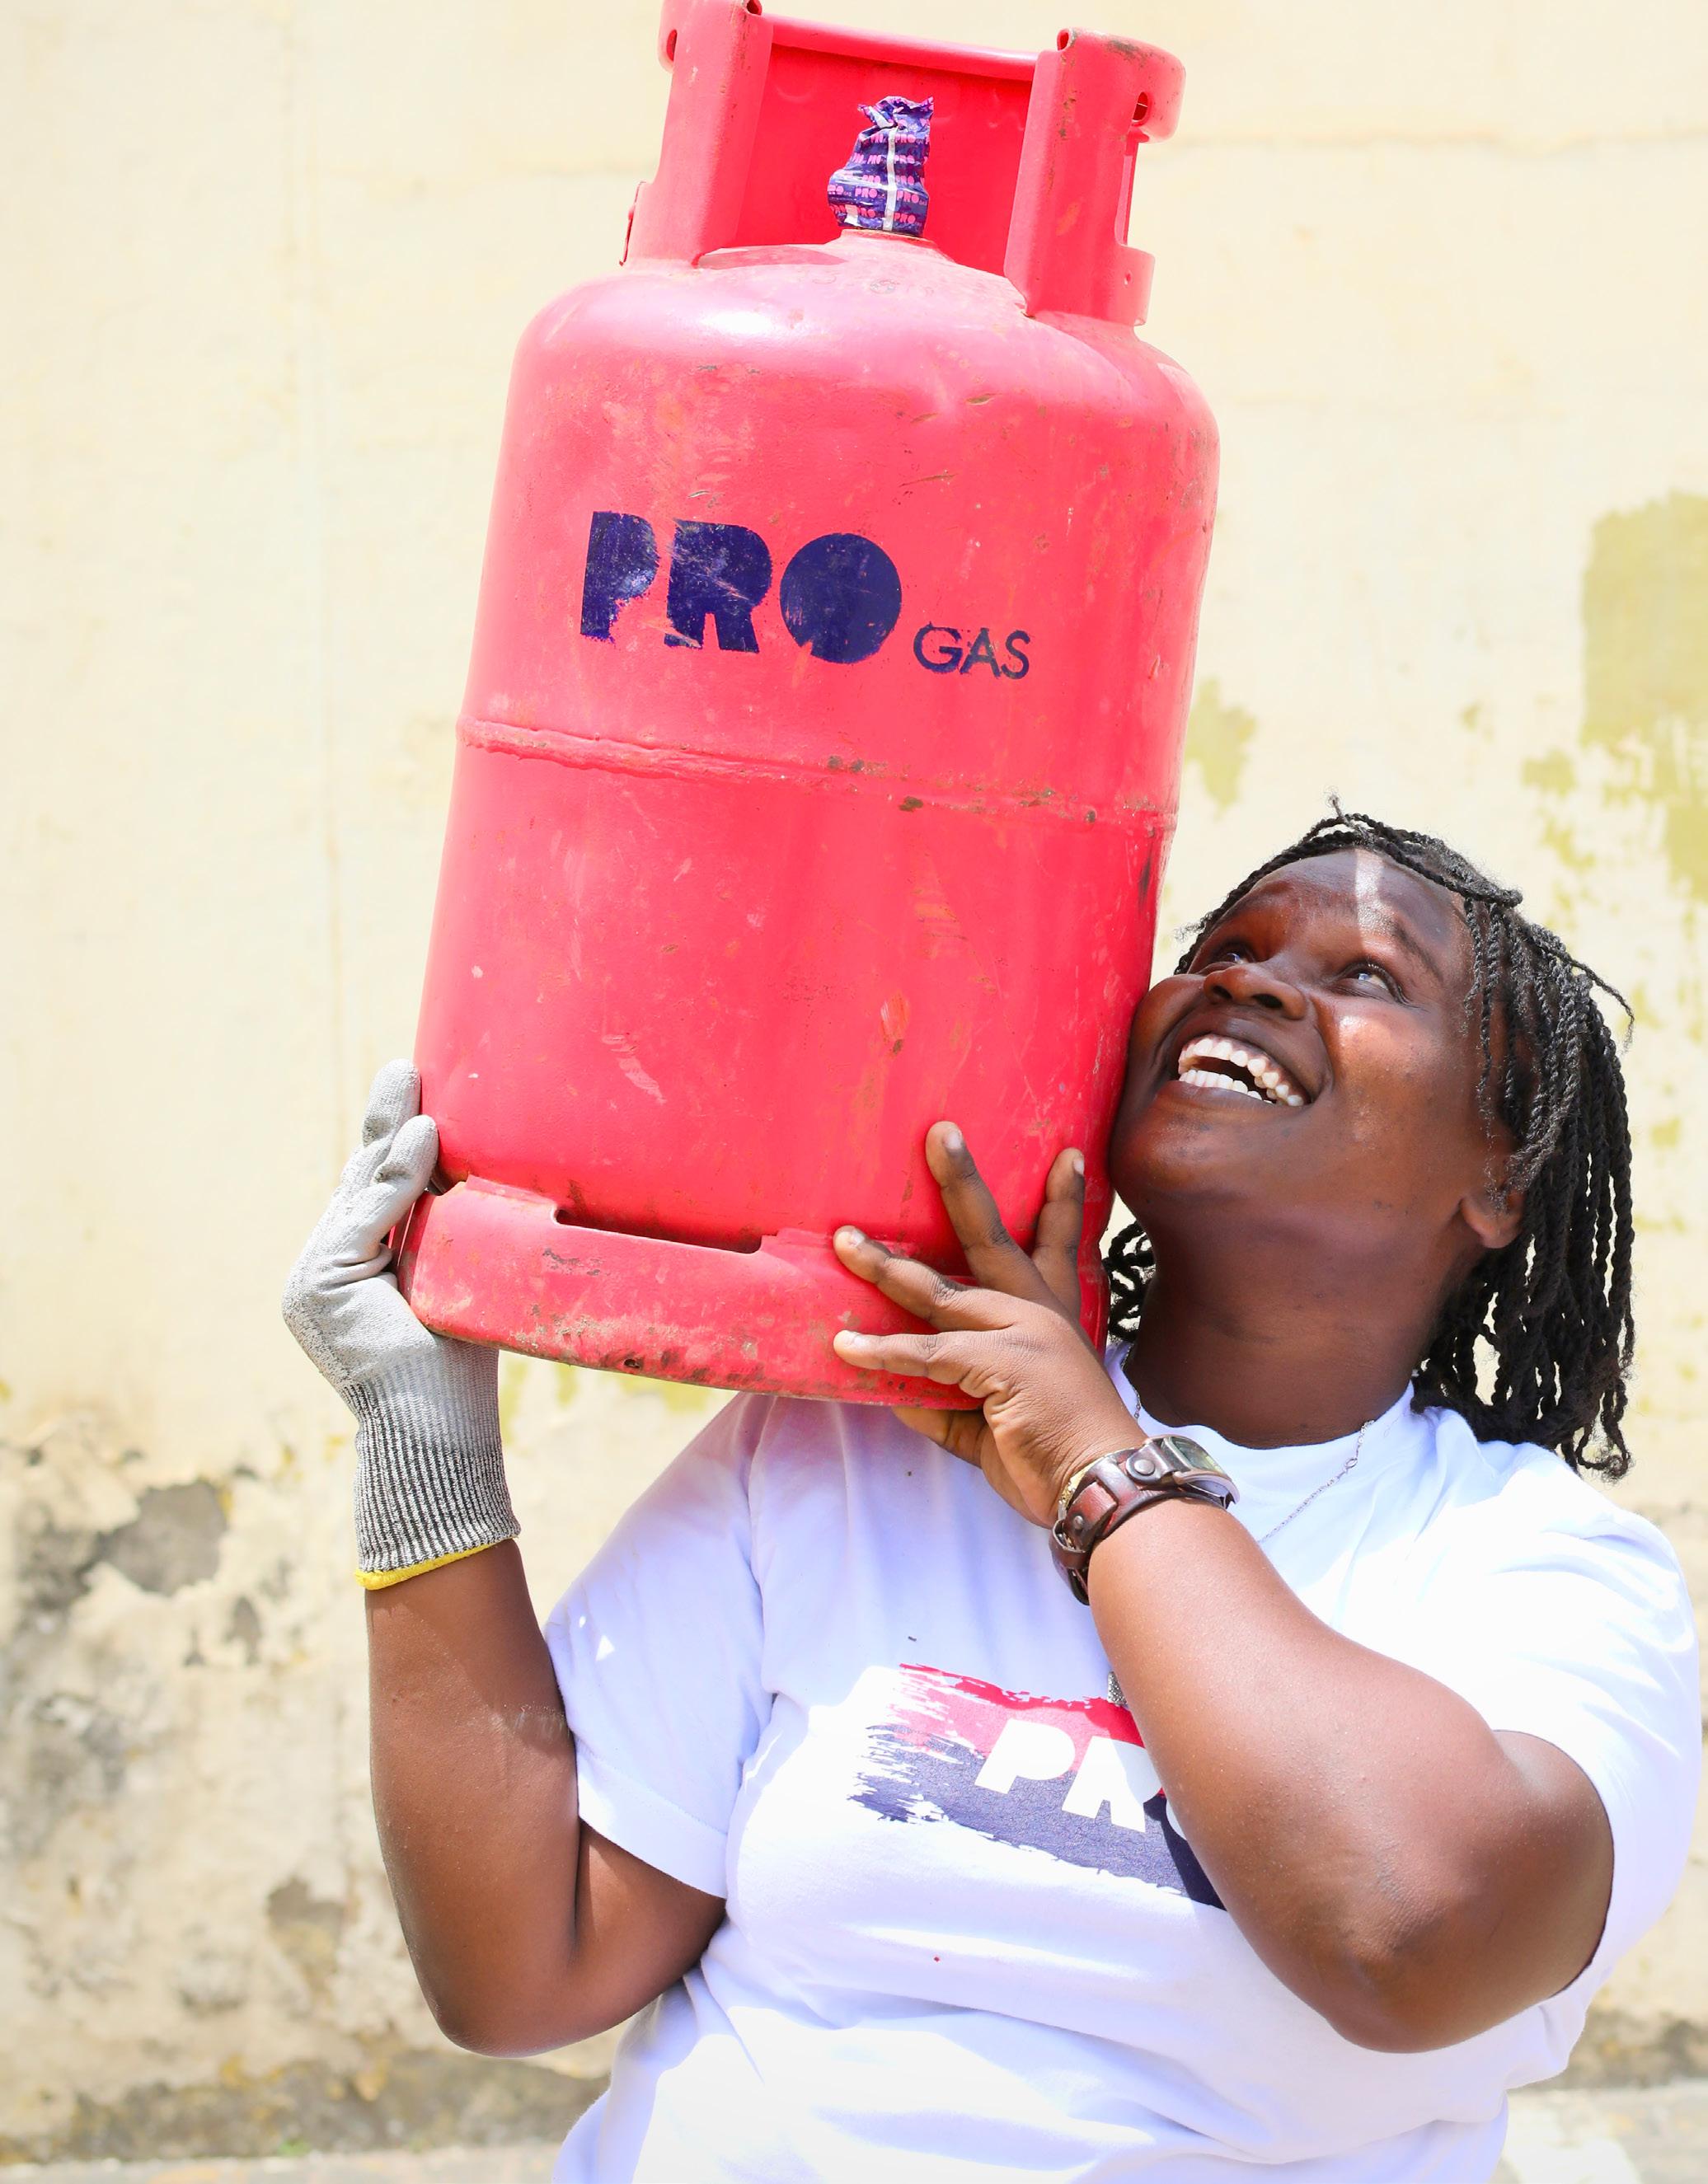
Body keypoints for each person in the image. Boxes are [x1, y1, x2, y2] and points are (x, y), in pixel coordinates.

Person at [284, 808, 1699, 2182]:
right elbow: (523, 1965)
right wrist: (423, 1438)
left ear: (1500, 1172)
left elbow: (1407, 1932)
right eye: (1226, 946)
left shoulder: (1540, 1570)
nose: (1252, 982)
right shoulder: (859, 1432)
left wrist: (1098, 1466)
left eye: (1369, 977)